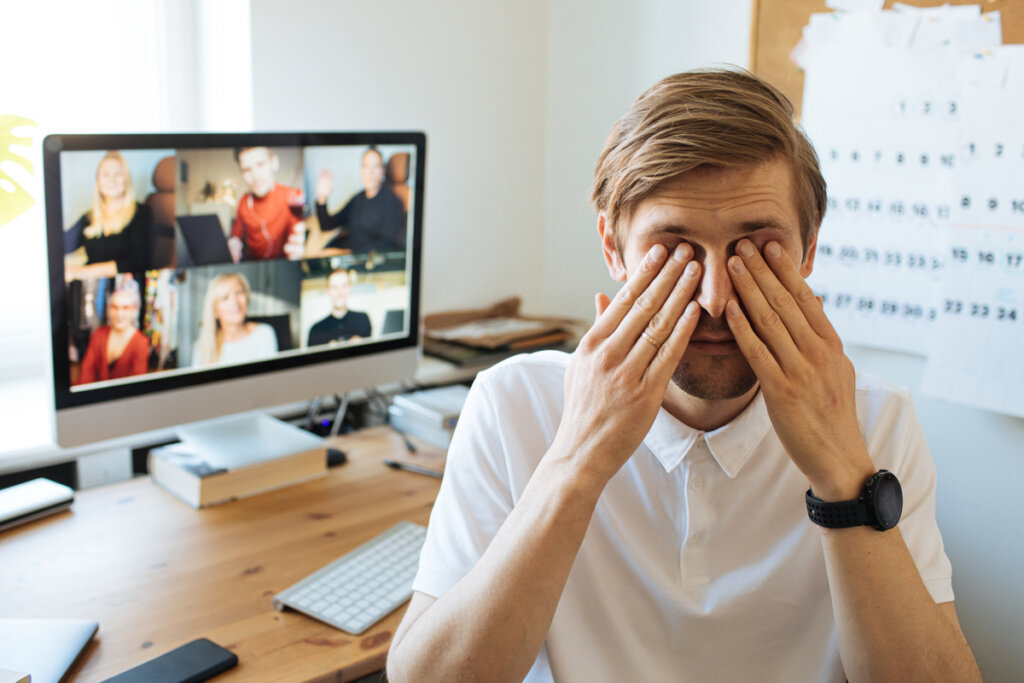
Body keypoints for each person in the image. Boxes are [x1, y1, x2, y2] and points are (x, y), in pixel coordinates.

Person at [387, 68, 981, 682]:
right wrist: (579, 458)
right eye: (675, 251)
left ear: (807, 250)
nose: (716, 298)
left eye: (757, 249)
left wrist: (842, 473)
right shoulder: (513, 403)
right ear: (614, 249)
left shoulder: (876, 419)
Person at [64, 151, 154, 276]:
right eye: (106, 175)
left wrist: (84, 272)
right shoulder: (90, 217)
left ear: (127, 180)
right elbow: (63, 245)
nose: (112, 180)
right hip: (92, 288)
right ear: (98, 182)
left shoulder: (142, 213)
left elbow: (138, 262)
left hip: (126, 289)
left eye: (117, 174)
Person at [315, 147, 407, 253]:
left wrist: (347, 254)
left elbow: (388, 245)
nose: (370, 172)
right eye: (366, 166)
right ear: (361, 171)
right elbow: (327, 225)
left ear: (382, 171)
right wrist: (322, 198)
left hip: (365, 260)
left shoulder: (392, 202)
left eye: (375, 166)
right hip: (347, 249)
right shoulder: (358, 198)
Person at [227, 147, 306, 262]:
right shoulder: (244, 202)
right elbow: (236, 235)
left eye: (260, 164)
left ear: (274, 162)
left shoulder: (293, 197)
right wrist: (234, 243)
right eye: (247, 170)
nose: (255, 176)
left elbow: (299, 237)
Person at [192, 272, 277, 366]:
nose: (235, 302)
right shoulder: (201, 348)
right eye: (225, 298)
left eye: (239, 292)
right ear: (214, 310)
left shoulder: (264, 334)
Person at [75, 276, 149, 385]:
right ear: (109, 309)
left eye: (125, 308)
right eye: (115, 307)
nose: (120, 314)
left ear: (134, 310)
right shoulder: (99, 334)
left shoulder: (141, 342)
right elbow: (86, 372)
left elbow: (137, 384)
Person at [306, 268, 372, 346]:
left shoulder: (363, 320)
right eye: (334, 287)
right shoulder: (316, 331)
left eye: (343, 286)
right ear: (328, 291)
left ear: (349, 288)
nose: (339, 292)